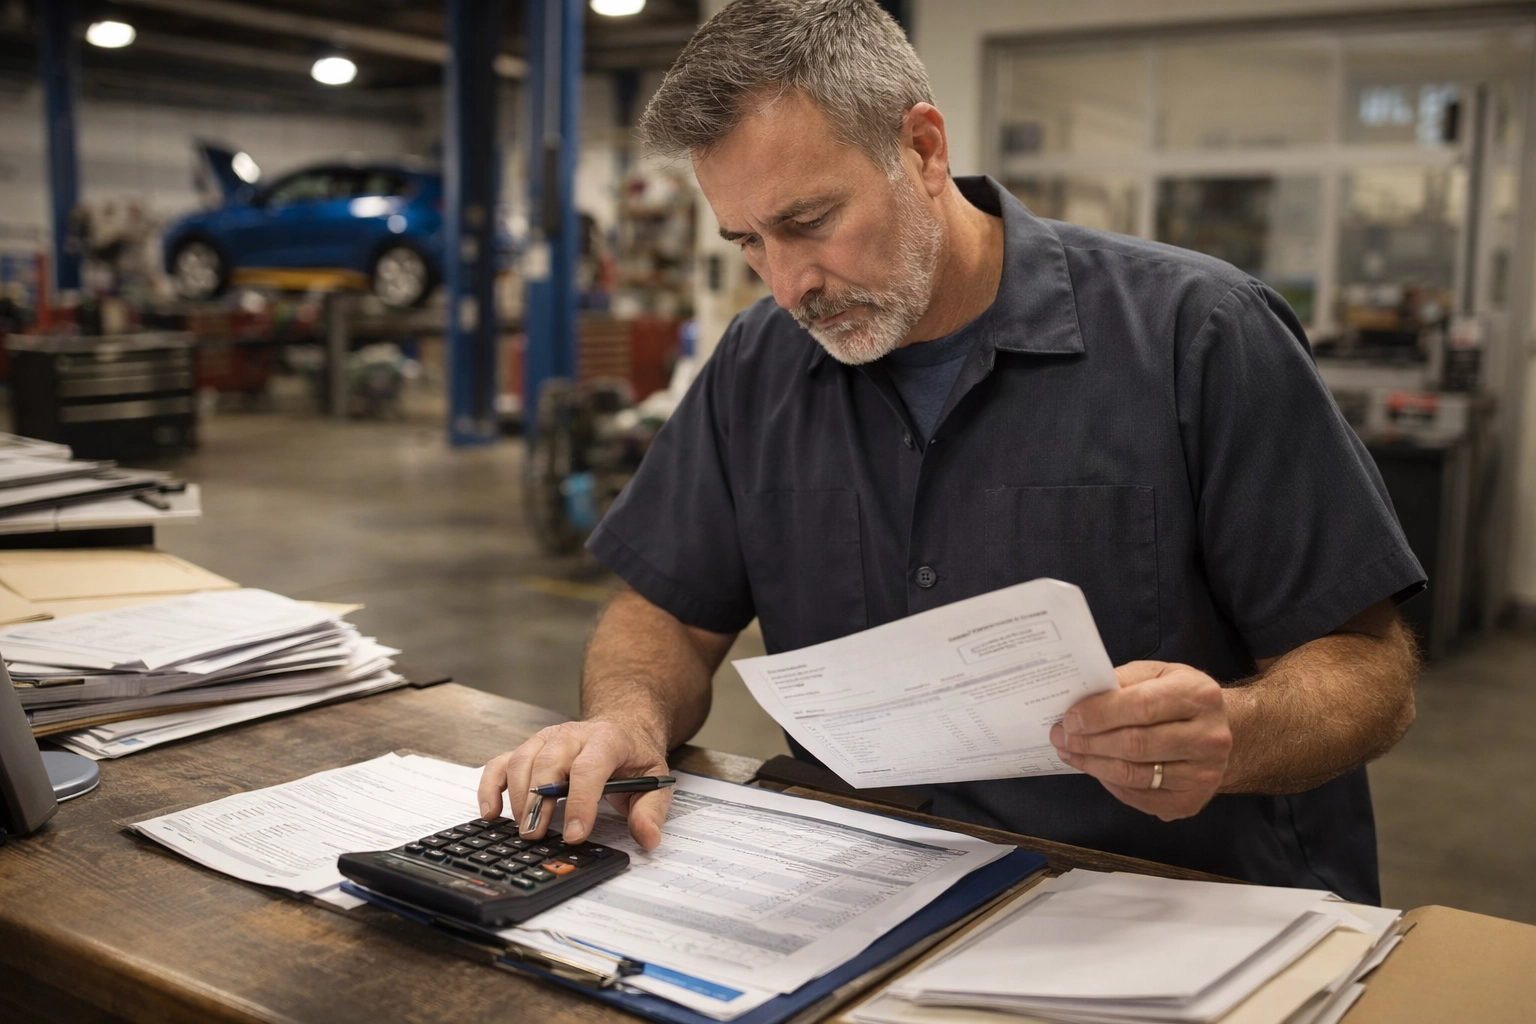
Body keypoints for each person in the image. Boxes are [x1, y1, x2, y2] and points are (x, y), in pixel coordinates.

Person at [479, 0, 1424, 904]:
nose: (789, 283)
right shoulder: (758, 365)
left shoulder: (1197, 335)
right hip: (867, 887)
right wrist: (627, 720)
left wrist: (1239, 730)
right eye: (747, 243)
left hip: (1167, 896)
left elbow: (1366, 668)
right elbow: (667, 614)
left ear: (922, 148)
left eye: (810, 223)